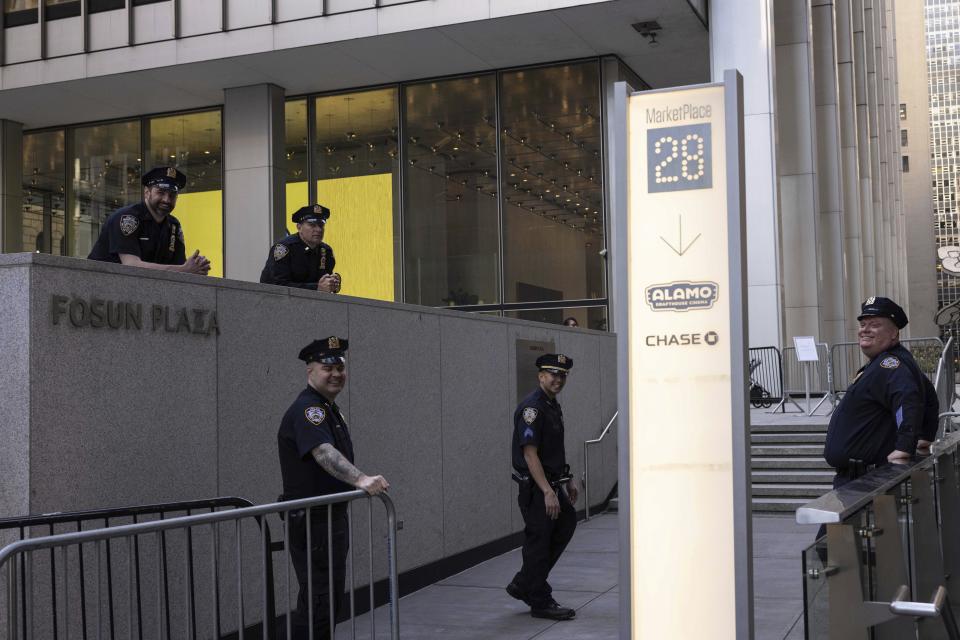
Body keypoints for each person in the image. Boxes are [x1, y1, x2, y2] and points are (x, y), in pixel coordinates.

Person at [277, 336, 389, 640]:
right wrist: (361, 479)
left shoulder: (328, 408)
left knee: (326, 599)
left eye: (340, 366)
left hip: (327, 520)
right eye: (327, 367)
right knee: (320, 601)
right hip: (314, 523)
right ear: (309, 371)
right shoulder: (308, 409)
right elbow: (323, 452)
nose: (336, 373)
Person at [822, 297, 927, 488]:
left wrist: (904, 446)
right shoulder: (884, 363)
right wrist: (925, 435)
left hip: (865, 480)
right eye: (863, 324)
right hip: (858, 477)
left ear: (894, 333)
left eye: (874, 325)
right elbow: (928, 394)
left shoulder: (890, 364)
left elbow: (908, 400)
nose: (865, 329)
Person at [506, 353, 579, 621]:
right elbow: (530, 453)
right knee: (539, 541)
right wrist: (548, 491)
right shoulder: (533, 408)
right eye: (553, 374)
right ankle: (539, 599)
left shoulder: (551, 405)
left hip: (551, 482)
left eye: (562, 375)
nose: (558, 379)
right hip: (536, 488)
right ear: (540, 376)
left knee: (566, 523)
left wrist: (566, 476)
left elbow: (552, 449)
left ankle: (525, 582)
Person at [88, 166, 211, 274]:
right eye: (161, 192)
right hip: (100, 289)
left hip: (141, 291)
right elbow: (131, 266)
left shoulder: (173, 225)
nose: (166, 200)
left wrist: (197, 268)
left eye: (172, 195)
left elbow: (179, 267)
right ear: (147, 193)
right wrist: (185, 270)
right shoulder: (128, 218)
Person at [260, 205, 341, 293]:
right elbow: (278, 285)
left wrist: (332, 284)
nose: (318, 229)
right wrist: (316, 288)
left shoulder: (325, 251)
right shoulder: (284, 248)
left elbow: (324, 283)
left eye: (321, 225)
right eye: (312, 225)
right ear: (299, 227)